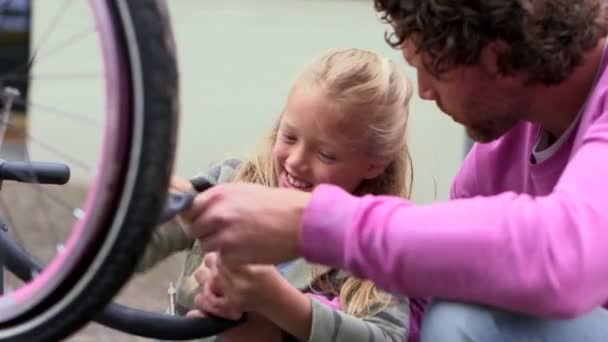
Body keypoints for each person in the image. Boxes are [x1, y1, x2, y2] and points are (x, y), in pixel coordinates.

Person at [181, 0, 608, 341]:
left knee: (465, 320)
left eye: (429, 67)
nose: (422, 91)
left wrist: (311, 224)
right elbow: (414, 317)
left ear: (496, 58)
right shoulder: (496, 159)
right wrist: (277, 305)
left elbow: (564, 255)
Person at [139, 48, 424, 341]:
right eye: (288, 136)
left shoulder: (376, 250)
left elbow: (388, 336)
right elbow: (141, 247)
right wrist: (154, 211)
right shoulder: (231, 183)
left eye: (325, 154)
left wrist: (279, 303)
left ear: (374, 164)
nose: (296, 161)